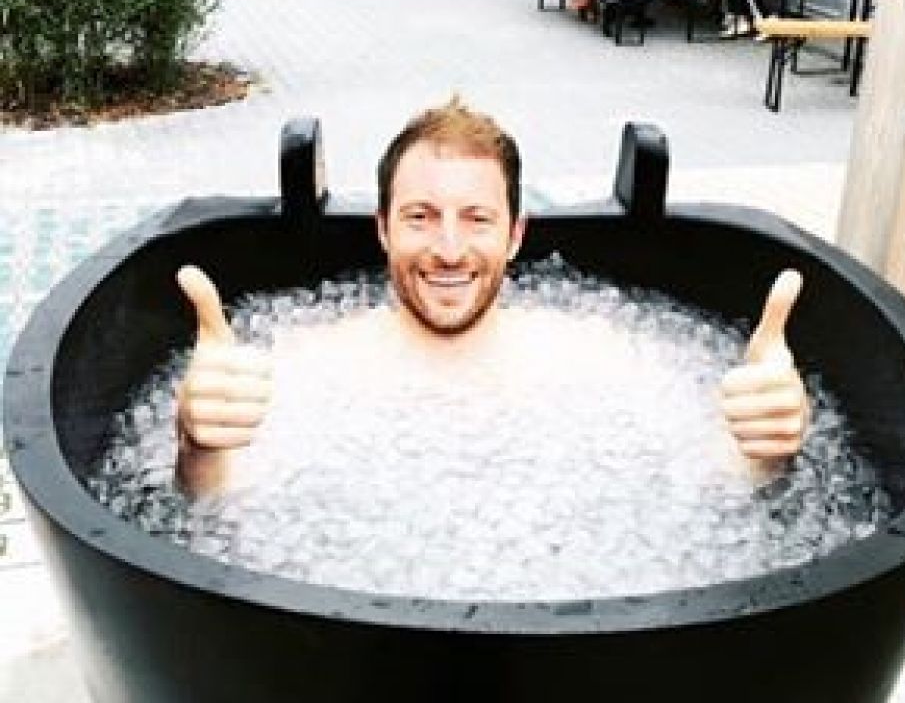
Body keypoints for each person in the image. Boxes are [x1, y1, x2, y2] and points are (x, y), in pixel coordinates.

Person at [174, 96, 809, 497]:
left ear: (514, 235)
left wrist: (765, 450)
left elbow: (711, 493)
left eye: (476, 218)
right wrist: (198, 445)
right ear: (382, 230)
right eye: (421, 216)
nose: (449, 248)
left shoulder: (593, 354)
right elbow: (218, 513)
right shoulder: (307, 365)